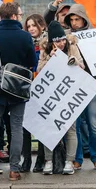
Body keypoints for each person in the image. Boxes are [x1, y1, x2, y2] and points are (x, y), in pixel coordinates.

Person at [0, 2, 37, 182]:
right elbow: (32, 62)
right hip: (18, 87)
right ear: (13, 16)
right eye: (19, 15)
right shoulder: (26, 37)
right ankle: (14, 169)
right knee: (17, 126)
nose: (20, 17)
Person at [38, 21, 84, 175]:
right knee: (49, 128)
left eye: (63, 39)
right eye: (57, 41)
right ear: (52, 42)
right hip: (51, 95)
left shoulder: (72, 47)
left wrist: (74, 61)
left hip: (69, 94)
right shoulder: (45, 50)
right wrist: (50, 59)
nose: (61, 43)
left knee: (70, 129)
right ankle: (49, 161)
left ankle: (69, 162)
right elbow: (39, 70)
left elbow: (83, 66)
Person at [64, 4, 96, 170]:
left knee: (94, 123)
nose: (74, 23)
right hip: (73, 85)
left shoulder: (93, 35)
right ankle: (77, 158)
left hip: (91, 83)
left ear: (83, 19)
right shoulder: (65, 37)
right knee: (76, 124)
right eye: (71, 20)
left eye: (77, 19)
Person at [23, 14, 48, 172]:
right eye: (29, 26)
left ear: (42, 26)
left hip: (44, 88)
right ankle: (26, 160)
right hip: (27, 87)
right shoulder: (25, 43)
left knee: (41, 126)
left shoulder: (48, 44)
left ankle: (41, 159)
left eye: (34, 25)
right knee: (25, 126)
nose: (31, 29)